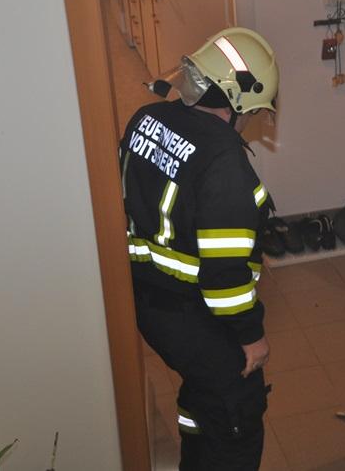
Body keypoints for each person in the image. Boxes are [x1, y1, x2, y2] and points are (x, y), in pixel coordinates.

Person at [119, 27, 279, 470]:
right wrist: (252, 336)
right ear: (238, 101)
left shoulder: (146, 118)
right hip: (194, 314)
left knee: (201, 393)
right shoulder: (224, 161)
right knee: (236, 410)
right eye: (253, 112)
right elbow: (224, 277)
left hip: (144, 301)